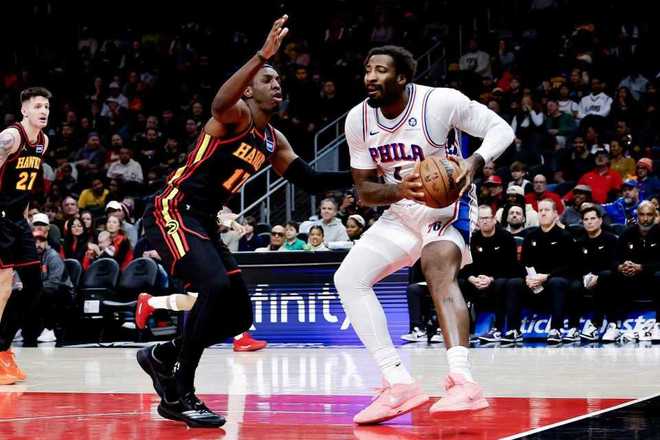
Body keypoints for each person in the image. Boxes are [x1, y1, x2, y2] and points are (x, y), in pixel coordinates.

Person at [135, 16, 353, 428]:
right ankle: (180, 392)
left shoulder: (273, 140)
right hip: (173, 210)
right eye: (267, 79)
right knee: (214, 286)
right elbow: (218, 102)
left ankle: (163, 355)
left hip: (204, 221)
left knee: (237, 316)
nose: (277, 84)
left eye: (278, 80)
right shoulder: (233, 116)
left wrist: (365, 176)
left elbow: (309, 180)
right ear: (249, 88)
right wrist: (261, 56)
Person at [334, 44, 514, 424]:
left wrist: (474, 161)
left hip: (448, 206)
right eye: (367, 70)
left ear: (402, 77)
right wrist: (400, 190)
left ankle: (463, 382)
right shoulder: (357, 120)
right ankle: (398, 382)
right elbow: (365, 191)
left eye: (380, 70)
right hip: (401, 212)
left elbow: (501, 129)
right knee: (348, 278)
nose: (370, 77)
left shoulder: (439, 102)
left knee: (436, 270)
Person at [135, 214, 268, 352]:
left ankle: (151, 302)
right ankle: (151, 302)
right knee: (206, 298)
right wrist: (228, 221)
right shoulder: (179, 211)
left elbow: (208, 216)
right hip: (195, 252)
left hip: (210, 247)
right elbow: (199, 216)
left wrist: (229, 222)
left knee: (213, 295)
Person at [0, 87, 52, 385]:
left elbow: (27, 185)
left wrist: (26, 214)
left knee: (34, 287)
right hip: (0, 218)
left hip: (19, 220)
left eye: (46, 106)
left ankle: (3, 348)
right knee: (4, 286)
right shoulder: (11, 137)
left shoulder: (43, 141)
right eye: (37, 106)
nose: (43, 111)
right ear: (24, 110)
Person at [518, 199, 578, 344]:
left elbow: (571, 265)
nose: (543, 213)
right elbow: (523, 263)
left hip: (557, 278)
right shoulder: (530, 236)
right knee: (512, 283)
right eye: (540, 210)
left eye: (547, 210)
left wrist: (547, 276)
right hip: (534, 281)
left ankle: (556, 329)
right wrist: (527, 278)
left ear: (555, 214)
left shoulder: (565, 236)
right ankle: (511, 329)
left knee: (556, 282)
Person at [462, 206, 524, 344]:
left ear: (494, 220)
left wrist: (490, 279)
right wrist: (472, 278)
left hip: (499, 279)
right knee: (460, 283)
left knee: (502, 283)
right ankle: (466, 330)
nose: (484, 221)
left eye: (487, 218)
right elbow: (465, 266)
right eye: (481, 219)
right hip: (478, 280)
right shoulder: (473, 239)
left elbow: (512, 267)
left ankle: (499, 329)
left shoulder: (506, 237)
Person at [610, 201, 660, 341]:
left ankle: (658, 325)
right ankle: (613, 325)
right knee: (608, 276)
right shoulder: (627, 233)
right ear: (637, 216)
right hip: (630, 278)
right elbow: (614, 259)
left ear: (655, 216)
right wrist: (621, 267)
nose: (645, 219)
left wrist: (641, 267)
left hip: (652, 278)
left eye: (649, 215)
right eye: (642, 215)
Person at [576, 206, 619, 342]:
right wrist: (584, 276)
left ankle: (606, 324)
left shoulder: (611, 240)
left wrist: (597, 277)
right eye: (586, 219)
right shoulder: (579, 242)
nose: (589, 222)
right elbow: (575, 265)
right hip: (586, 280)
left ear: (600, 220)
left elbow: (615, 264)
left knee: (606, 277)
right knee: (571, 284)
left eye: (593, 218)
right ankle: (571, 327)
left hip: (607, 279)